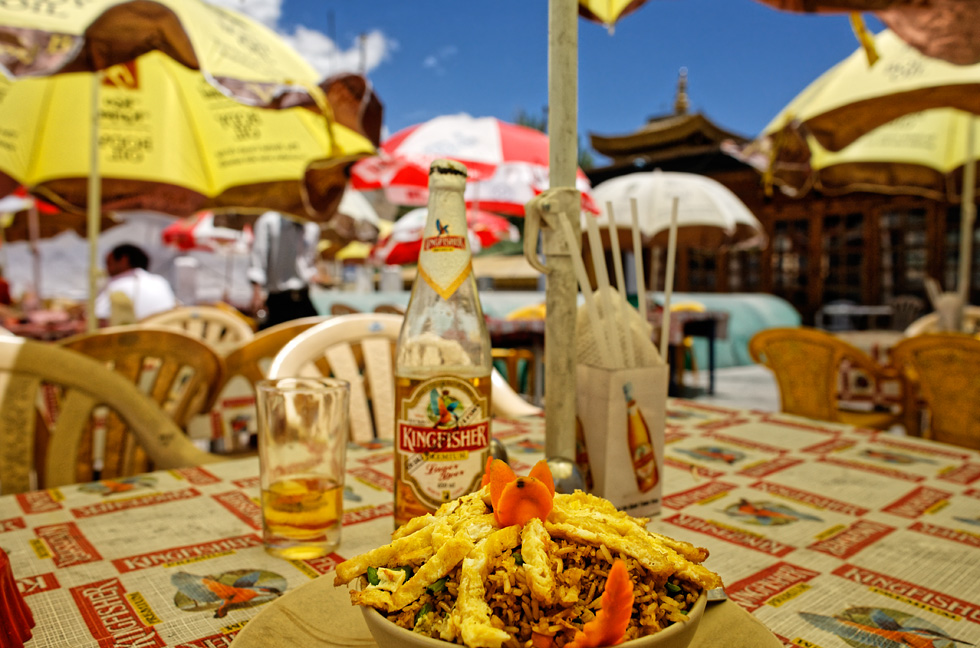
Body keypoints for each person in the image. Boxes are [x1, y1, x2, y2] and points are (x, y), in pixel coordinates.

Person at [248, 211, 320, 329]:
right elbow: (258, 261)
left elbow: (307, 264)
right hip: (277, 301)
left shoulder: (312, 227)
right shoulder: (268, 222)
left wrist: (315, 276)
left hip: (303, 297)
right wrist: (257, 294)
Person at [94, 243, 177, 323]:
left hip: (135, 335)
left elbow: (97, 318)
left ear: (123, 260)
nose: (106, 269)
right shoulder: (161, 282)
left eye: (109, 263)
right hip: (164, 333)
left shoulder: (116, 286)